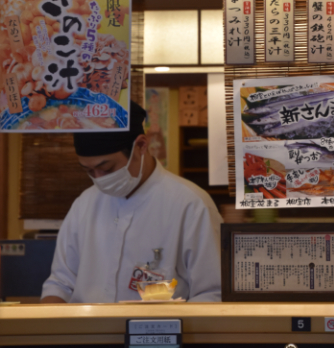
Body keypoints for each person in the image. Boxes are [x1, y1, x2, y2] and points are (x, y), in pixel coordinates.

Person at [41, 101, 222, 303]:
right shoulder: (84, 205)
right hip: (86, 323)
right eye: (89, 171)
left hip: (160, 324)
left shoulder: (190, 205)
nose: (99, 178)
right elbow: (60, 284)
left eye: (107, 169)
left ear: (141, 146)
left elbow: (211, 293)